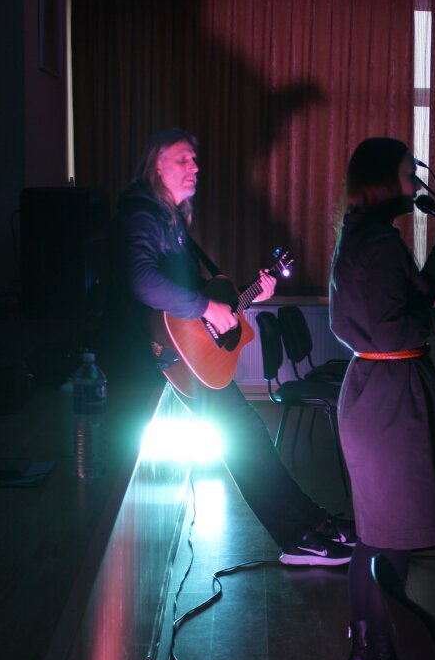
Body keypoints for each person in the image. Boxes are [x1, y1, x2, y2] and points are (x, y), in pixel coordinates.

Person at [107, 128, 355, 566]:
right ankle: (300, 536)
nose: (194, 166)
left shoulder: (169, 218)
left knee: (248, 437)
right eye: (182, 159)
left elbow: (196, 301)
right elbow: (142, 281)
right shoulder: (142, 214)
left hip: (184, 353)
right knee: (247, 439)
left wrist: (246, 296)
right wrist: (206, 305)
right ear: (156, 164)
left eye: (195, 159)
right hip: (162, 360)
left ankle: (310, 524)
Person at [328, 137, 435, 660]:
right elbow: (395, 328)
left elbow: (394, 306)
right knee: (393, 540)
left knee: (376, 538)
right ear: (385, 179)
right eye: (410, 172)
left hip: (372, 391)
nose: (417, 182)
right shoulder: (381, 244)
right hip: (389, 398)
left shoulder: (361, 235)